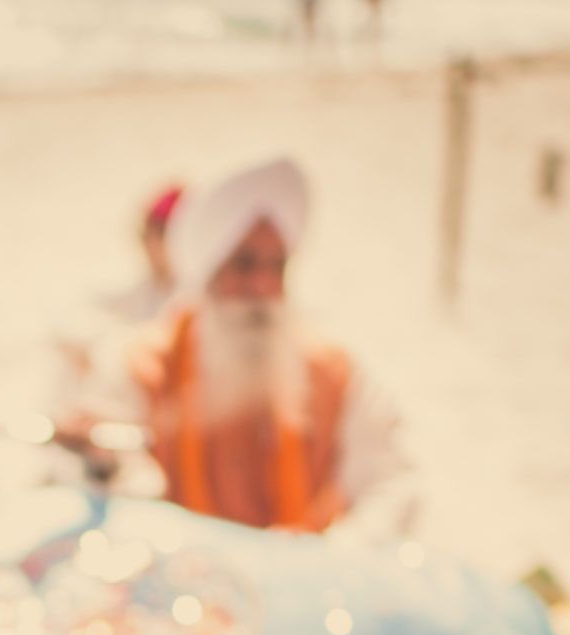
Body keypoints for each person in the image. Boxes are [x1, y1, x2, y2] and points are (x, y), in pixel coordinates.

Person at [69, 156, 420, 545]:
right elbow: (120, 485)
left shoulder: (335, 370)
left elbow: (390, 483)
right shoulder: (139, 364)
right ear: (208, 270)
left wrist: (334, 552)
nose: (263, 287)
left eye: (276, 266)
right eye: (245, 264)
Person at [52, 184, 184, 406]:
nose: (151, 244)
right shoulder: (135, 289)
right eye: (149, 234)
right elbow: (72, 318)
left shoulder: (197, 293)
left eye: (162, 234)